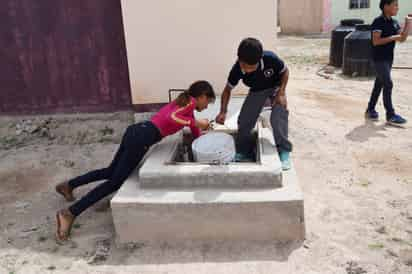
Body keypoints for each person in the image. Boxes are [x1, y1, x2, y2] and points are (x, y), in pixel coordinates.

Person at [55, 80, 215, 241]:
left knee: (110, 171)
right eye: (207, 102)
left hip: (136, 131)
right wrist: (196, 122)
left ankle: (69, 185)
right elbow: (172, 117)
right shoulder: (190, 103)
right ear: (201, 96)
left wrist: (201, 139)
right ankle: (69, 213)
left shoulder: (185, 104)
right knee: (115, 182)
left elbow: (195, 133)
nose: (206, 106)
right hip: (142, 138)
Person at [215, 38, 293, 170]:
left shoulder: (270, 59)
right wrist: (223, 111)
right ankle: (245, 152)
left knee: (278, 115)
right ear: (239, 59)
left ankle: (284, 150)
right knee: (244, 120)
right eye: (245, 66)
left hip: (275, 87)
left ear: (260, 59)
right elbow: (227, 90)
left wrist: (281, 93)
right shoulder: (237, 69)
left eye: (252, 67)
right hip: (257, 91)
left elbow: (285, 72)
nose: (248, 70)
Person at [365, 0, 411, 126]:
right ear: (386, 6)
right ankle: (390, 115)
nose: (397, 8)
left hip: (389, 59)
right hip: (378, 59)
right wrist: (393, 37)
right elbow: (376, 41)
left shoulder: (394, 23)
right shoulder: (378, 22)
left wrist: (408, 23)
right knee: (388, 84)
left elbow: (402, 38)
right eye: (395, 5)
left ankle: (370, 109)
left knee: (379, 84)